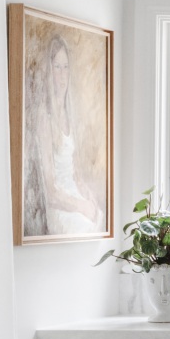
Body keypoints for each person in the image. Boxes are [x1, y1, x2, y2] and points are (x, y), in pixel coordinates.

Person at [31, 34, 104, 234]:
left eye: (66, 67)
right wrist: (81, 206)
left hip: (75, 198)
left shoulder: (69, 114)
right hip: (60, 208)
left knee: (101, 218)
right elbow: (51, 191)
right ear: (49, 71)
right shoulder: (44, 117)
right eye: (57, 67)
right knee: (86, 226)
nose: (62, 75)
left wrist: (89, 197)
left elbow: (76, 175)